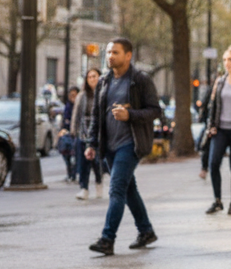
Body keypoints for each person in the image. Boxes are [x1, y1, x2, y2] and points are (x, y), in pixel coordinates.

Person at [84, 39, 162, 255]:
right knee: (129, 190)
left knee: (116, 189)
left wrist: (130, 115)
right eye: (109, 52)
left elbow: (155, 110)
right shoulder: (104, 81)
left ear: (128, 55)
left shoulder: (140, 80)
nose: (110, 56)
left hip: (130, 144)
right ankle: (146, 231)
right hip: (108, 145)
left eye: (115, 52)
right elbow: (97, 116)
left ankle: (107, 239)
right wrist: (91, 143)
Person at [204, 45, 231, 215]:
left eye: (230, 59)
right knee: (213, 164)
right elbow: (213, 106)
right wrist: (211, 126)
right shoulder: (220, 81)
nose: (227, 63)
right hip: (220, 130)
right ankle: (217, 201)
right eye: (224, 60)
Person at [72, 69, 104, 200]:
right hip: (84, 132)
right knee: (83, 162)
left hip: (98, 133)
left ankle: (99, 183)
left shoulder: (104, 93)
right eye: (89, 77)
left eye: (94, 76)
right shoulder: (82, 95)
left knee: (97, 162)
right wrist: (74, 131)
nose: (92, 79)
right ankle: (84, 188)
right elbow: (76, 114)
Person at [59, 86, 78, 183]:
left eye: (75, 95)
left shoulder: (80, 105)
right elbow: (65, 121)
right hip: (68, 134)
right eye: (71, 95)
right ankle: (70, 174)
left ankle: (74, 174)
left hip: (77, 134)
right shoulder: (68, 106)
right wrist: (62, 130)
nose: (72, 97)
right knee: (66, 154)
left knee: (75, 156)